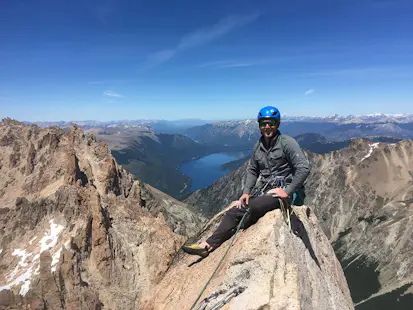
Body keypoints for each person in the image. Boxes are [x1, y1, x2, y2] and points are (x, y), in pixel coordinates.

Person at [182, 106, 310, 258]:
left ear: (278, 124)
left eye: (271, 123)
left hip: (286, 193)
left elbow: (303, 168)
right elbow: (253, 170)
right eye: (263, 124)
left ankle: (243, 223)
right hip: (268, 191)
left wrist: (287, 191)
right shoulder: (259, 147)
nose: (267, 127)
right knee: (234, 211)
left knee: (253, 207)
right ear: (259, 125)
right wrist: (246, 192)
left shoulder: (287, 143)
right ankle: (207, 245)